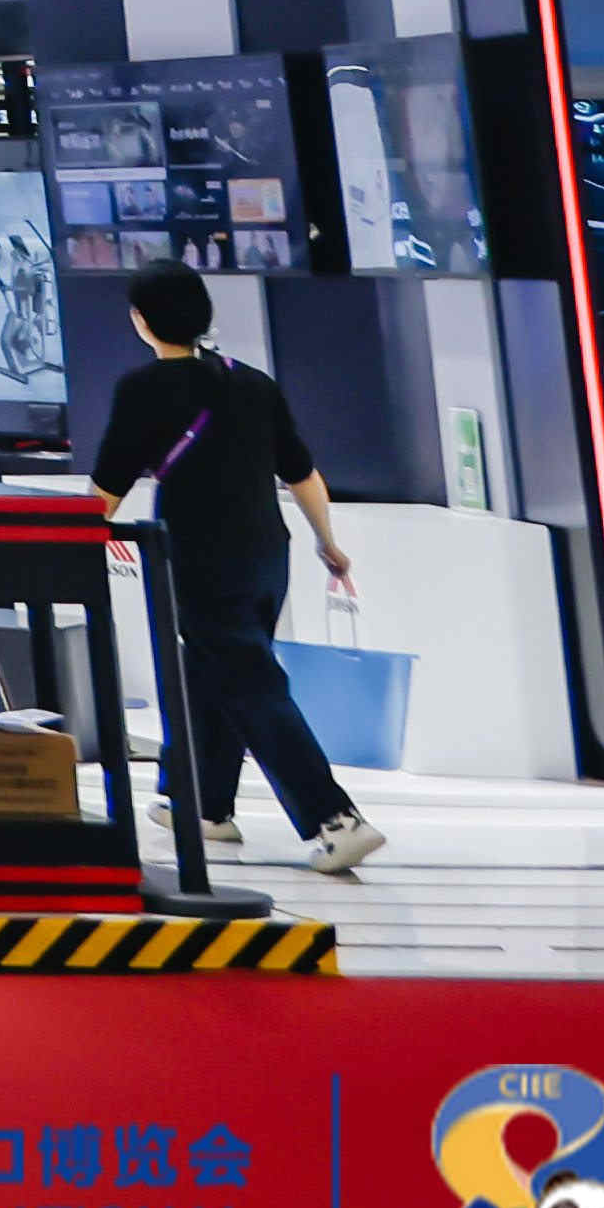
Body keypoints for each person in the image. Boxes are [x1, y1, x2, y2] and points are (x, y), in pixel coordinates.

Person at [91, 264, 384, 878]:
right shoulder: (251, 383)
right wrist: (327, 543)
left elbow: (108, 485)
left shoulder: (142, 388)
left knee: (251, 684)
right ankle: (205, 805)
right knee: (214, 671)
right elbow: (301, 473)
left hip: (199, 554)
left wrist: (70, 540)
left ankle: (336, 819)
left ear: (141, 321)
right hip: (266, 553)